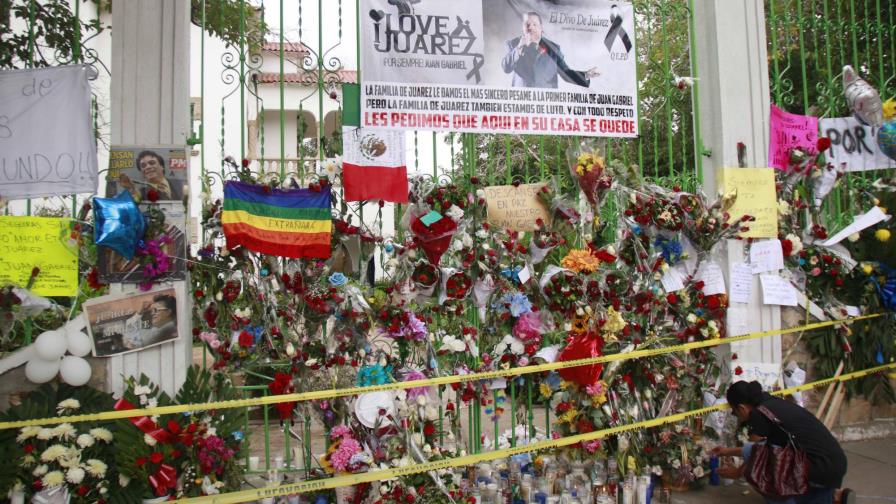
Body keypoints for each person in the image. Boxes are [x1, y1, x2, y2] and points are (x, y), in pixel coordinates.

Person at [713, 381, 852, 504]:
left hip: (821, 467)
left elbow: (759, 457)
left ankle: (829, 497)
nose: (737, 416)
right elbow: (759, 448)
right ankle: (832, 496)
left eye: (734, 412)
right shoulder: (772, 403)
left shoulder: (758, 414)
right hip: (834, 461)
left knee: (764, 479)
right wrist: (726, 451)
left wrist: (737, 472)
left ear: (742, 408)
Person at [501, 11, 599, 89]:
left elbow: (565, 73)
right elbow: (506, 67)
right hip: (522, 103)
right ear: (523, 27)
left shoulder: (553, 48)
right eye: (527, 24)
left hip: (546, 102)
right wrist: (519, 47)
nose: (530, 27)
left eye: (534, 24)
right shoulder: (513, 44)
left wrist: (586, 75)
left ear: (541, 28)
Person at [119, 150, 183, 202]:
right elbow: (135, 202)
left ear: (162, 166)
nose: (148, 167)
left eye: (152, 163)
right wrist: (131, 188)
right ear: (142, 172)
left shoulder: (178, 184)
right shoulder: (142, 192)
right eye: (143, 165)